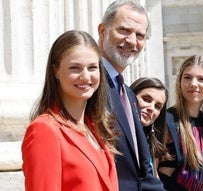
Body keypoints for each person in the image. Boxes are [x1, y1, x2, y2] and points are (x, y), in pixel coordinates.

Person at [21, 30, 119, 191]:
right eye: (75, 68)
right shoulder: (44, 130)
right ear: (56, 71)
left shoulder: (96, 128)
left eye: (92, 67)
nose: (86, 77)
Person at [97, 1, 165, 190]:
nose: (132, 41)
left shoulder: (128, 94)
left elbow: (142, 168)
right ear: (103, 30)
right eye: (124, 30)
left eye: (140, 35)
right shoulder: (89, 86)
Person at [158, 55, 203, 191]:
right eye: (187, 77)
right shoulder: (167, 120)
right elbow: (153, 174)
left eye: (201, 79)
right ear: (179, 81)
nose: (193, 84)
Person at [130, 77, 168, 177]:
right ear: (131, 96)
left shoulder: (151, 144)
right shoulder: (115, 134)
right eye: (146, 99)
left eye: (157, 106)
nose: (151, 108)